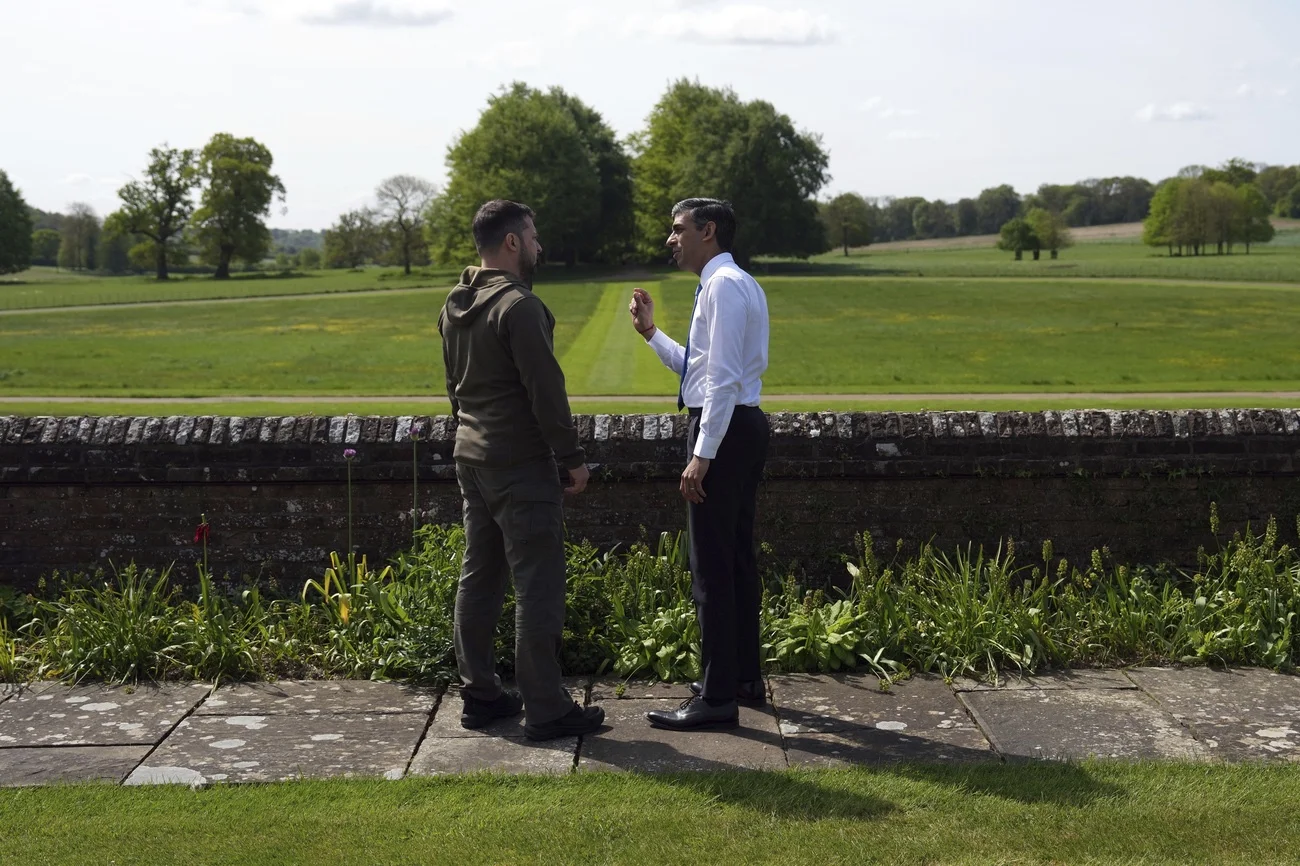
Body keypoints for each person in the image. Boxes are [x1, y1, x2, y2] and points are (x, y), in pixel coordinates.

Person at [438, 199, 604, 741]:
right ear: (511, 242)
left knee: (480, 577)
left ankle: (481, 696)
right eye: (532, 236)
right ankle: (547, 708)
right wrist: (572, 458)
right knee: (538, 585)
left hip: (471, 458)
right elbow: (546, 393)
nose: (538, 245)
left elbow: (454, 389)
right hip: (519, 465)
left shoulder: (455, 303)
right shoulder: (519, 307)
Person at [628, 198, 771, 731]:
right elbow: (700, 369)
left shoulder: (723, 286)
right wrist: (651, 334)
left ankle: (716, 698)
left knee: (711, 568)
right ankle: (741, 678)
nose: (671, 239)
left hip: (725, 432)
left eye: (678, 229)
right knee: (734, 561)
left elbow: (723, 380)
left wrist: (701, 455)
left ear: (707, 231)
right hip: (737, 427)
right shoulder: (731, 282)